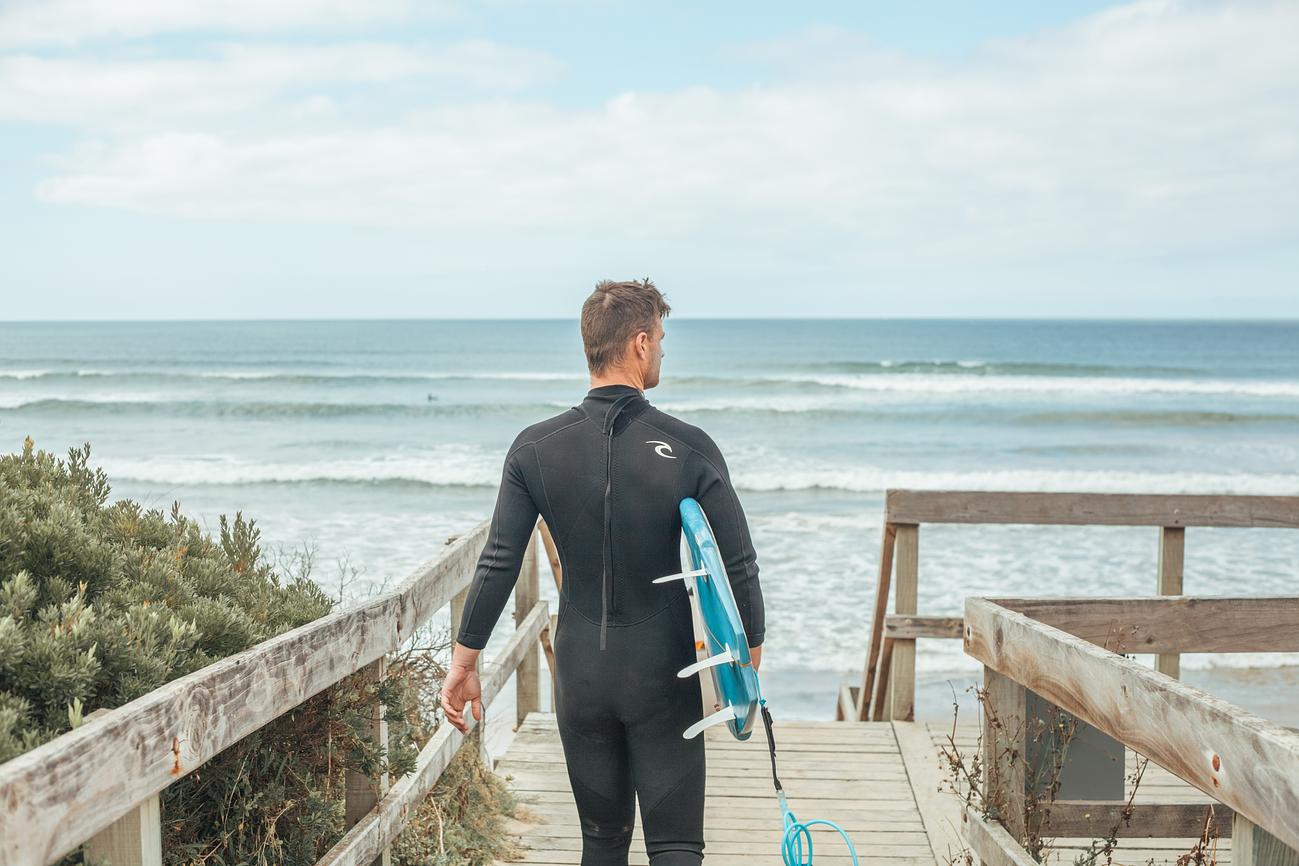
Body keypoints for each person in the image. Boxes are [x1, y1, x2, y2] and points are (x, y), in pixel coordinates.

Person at [440, 279, 765, 865]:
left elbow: (499, 559)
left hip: (582, 673)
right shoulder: (688, 447)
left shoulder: (534, 449)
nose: (664, 351)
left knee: (602, 843)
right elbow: (737, 560)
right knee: (675, 847)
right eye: (661, 339)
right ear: (639, 344)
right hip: (662, 671)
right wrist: (751, 655)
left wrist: (466, 660)